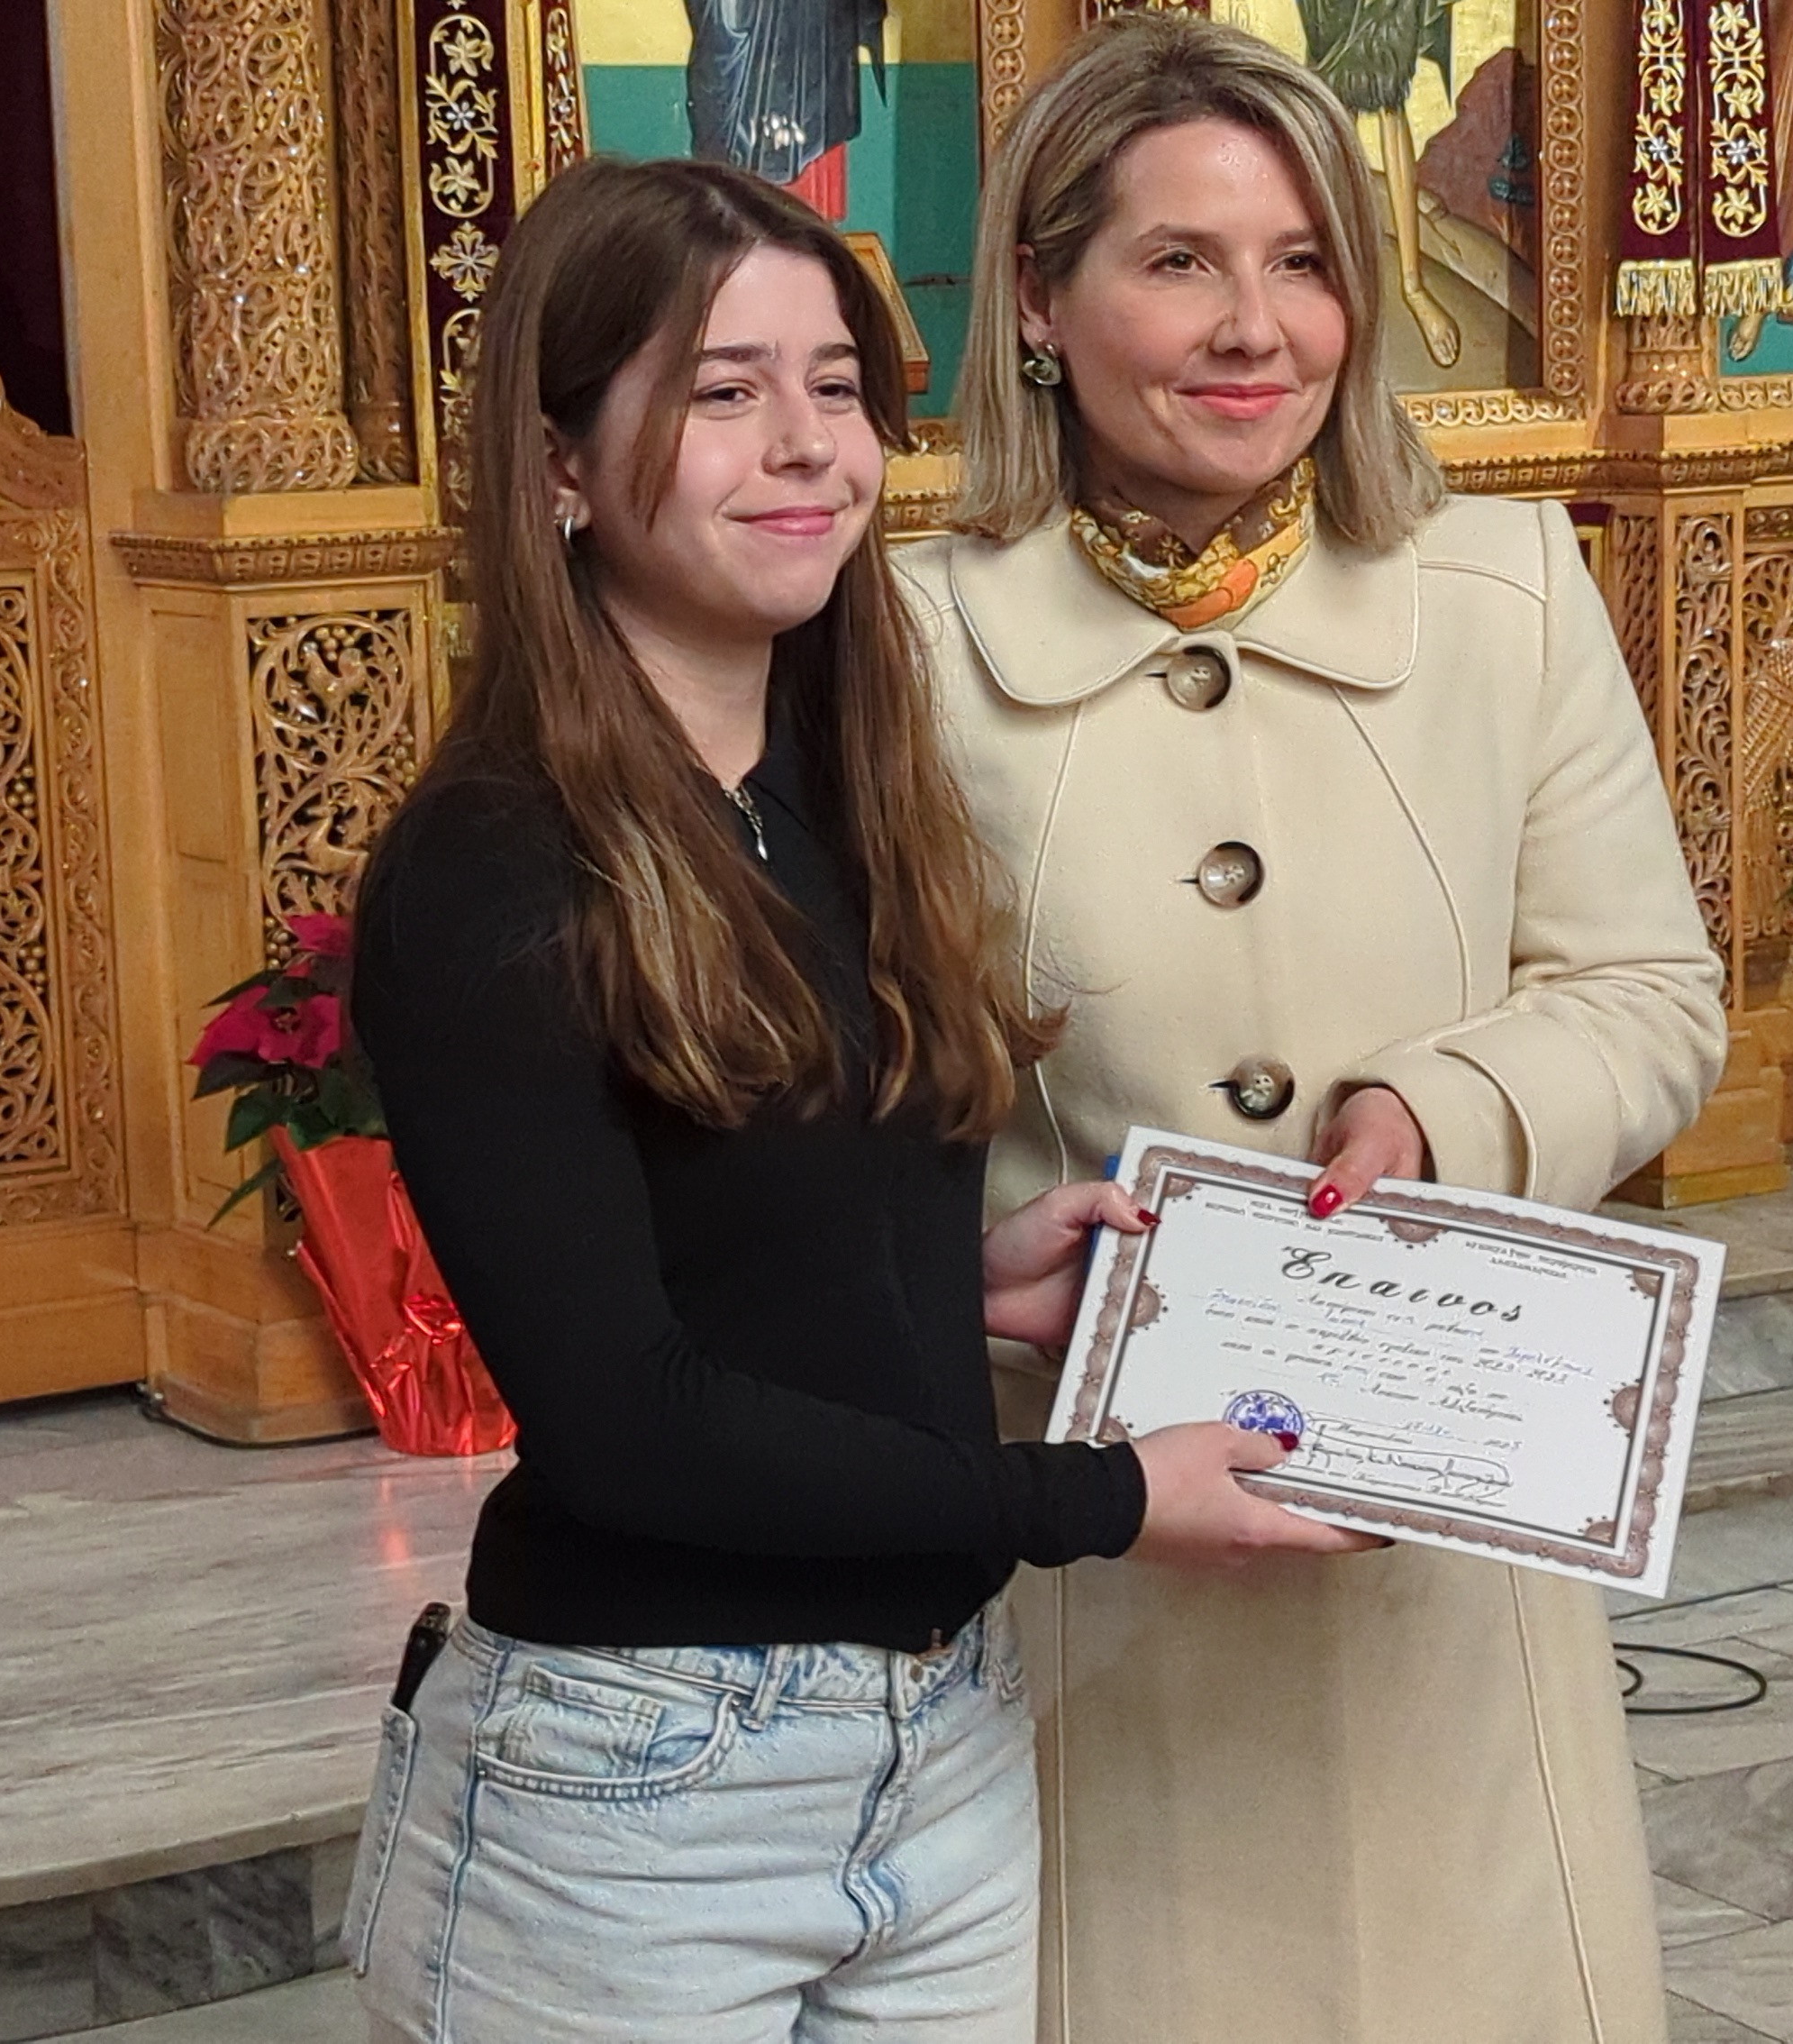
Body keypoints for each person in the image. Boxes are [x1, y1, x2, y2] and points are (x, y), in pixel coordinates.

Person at [342, 154, 1372, 2044]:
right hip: (638, 1784)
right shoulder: (493, 862)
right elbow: (626, 1422)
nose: (808, 446)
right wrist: (1101, 1497)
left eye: (836, 386)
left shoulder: (840, 791)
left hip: (941, 1745)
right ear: (560, 463)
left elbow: (735, 1231)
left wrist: (952, 1279)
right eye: (722, 392)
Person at [898, 14, 1727, 2041]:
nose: (1253, 328)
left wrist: (1441, 1107)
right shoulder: (901, 642)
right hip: (1088, 1534)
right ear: (1039, 299)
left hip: (1440, 1533)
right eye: (1178, 262)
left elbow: (1650, 994)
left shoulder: (1506, 591)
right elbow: (837, 1091)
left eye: (1302, 263)